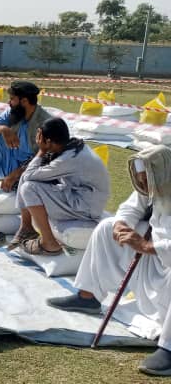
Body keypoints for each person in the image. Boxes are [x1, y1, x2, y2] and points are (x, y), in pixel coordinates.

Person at [47, 145, 171, 377]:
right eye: (140, 180)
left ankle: (168, 347)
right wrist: (121, 224)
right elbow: (131, 208)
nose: (142, 185)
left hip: (164, 257)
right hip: (157, 259)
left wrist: (147, 246)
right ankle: (88, 296)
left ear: (160, 174)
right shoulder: (153, 181)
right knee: (106, 227)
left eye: (146, 181)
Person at [6, 118, 110, 255]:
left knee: (29, 187)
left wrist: (41, 151)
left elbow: (28, 175)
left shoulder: (68, 159)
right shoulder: (73, 147)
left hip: (85, 208)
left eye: (40, 138)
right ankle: (26, 227)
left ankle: (49, 243)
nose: (39, 141)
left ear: (48, 141)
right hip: (80, 197)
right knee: (31, 181)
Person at [0, 81, 53, 201]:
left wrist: (16, 174)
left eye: (12, 99)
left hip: (32, 168)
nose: (9, 103)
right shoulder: (12, 113)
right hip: (11, 161)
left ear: (24, 101)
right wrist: (3, 129)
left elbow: (45, 157)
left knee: (25, 191)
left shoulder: (45, 122)